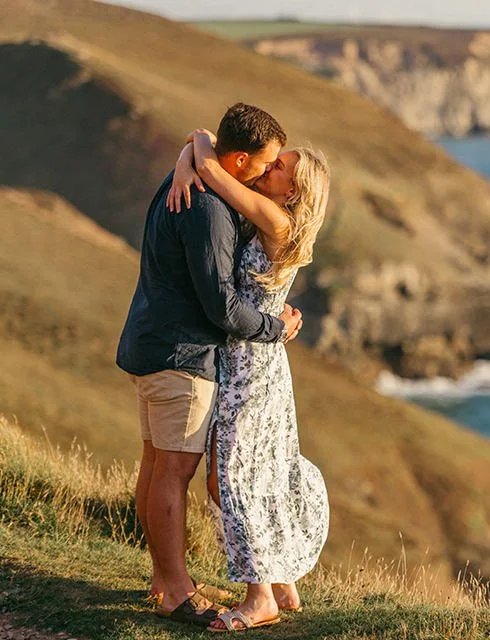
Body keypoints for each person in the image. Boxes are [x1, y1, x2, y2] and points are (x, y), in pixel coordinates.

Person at [116, 103, 303, 628]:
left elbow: (201, 140)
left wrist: (189, 154)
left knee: (156, 466)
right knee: (173, 473)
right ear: (239, 161)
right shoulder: (209, 208)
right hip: (183, 356)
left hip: (150, 341)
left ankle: (162, 577)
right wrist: (276, 328)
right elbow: (221, 307)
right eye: (265, 165)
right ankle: (176, 589)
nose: (268, 173)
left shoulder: (189, 180)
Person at [167, 124, 331, 632]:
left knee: (234, 477)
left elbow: (210, 159)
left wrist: (188, 163)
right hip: (255, 360)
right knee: (243, 474)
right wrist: (182, 164)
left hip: (250, 368)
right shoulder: (273, 221)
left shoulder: (277, 222)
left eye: (280, 166)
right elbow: (204, 139)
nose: (270, 164)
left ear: (293, 191)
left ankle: (261, 597)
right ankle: (280, 581)